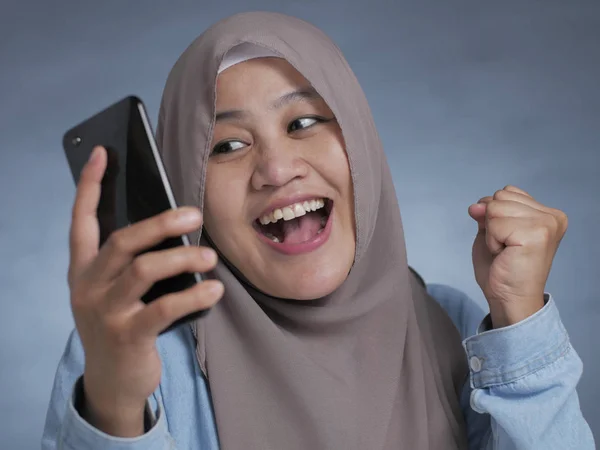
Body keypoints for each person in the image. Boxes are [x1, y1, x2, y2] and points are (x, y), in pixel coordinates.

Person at [42, 11, 595, 450]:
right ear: (191, 190)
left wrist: (520, 324)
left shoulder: (455, 330)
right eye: (228, 145)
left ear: (360, 144)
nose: (278, 169)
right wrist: (114, 405)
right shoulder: (133, 353)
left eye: (303, 123)